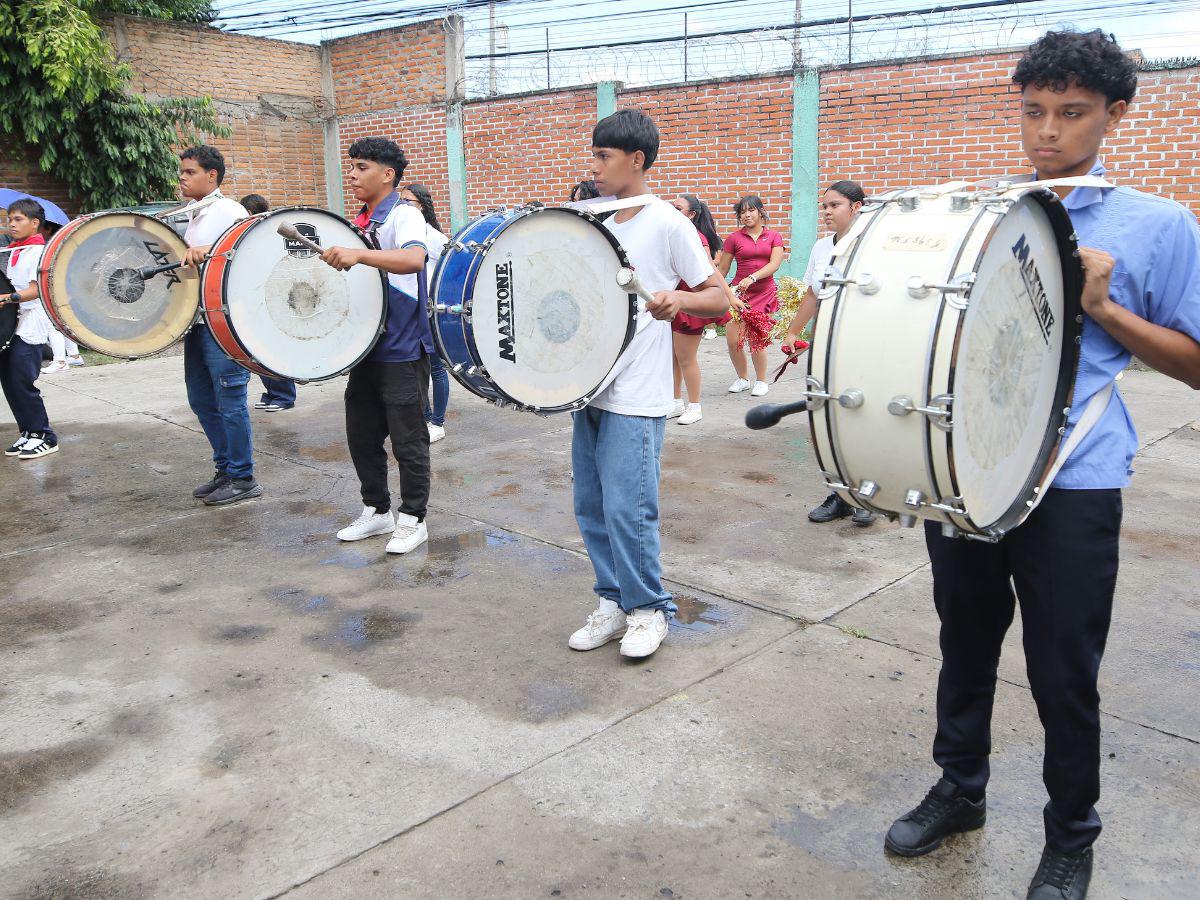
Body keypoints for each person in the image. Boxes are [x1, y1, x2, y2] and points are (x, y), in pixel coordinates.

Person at [882, 30, 1200, 900]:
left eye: (1071, 113)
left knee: (1064, 670)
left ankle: (1071, 838)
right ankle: (961, 790)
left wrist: (1104, 308)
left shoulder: (1160, 225)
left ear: (1115, 114)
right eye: (1034, 112)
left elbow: (1194, 360)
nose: (1047, 132)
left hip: (1077, 479)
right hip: (971, 475)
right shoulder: (988, 214)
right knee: (965, 644)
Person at [567, 109, 730, 659]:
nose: (593, 167)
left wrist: (678, 298)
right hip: (588, 386)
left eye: (602, 156)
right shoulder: (595, 219)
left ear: (636, 160)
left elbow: (719, 295)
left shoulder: (666, 222)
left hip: (637, 390)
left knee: (628, 507)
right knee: (590, 505)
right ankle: (613, 600)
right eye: (594, 155)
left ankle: (648, 610)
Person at [321, 138, 434, 555]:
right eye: (351, 166)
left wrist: (358, 255)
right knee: (361, 435)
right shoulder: (361, 219)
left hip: (402, 348)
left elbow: (413, 261)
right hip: (365, 348)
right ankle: (377, 510)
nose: (352, 174)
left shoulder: (403, 215)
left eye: (361, 166)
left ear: (387, 174)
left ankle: (412, 518)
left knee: (408, 441)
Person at [781, 180, 876, 528]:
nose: (826, 212)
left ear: (857, 206)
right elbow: (812, 293)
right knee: (829, 422)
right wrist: (793, 331)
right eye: (824, 206)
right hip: (828, 347)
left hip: (865, 346)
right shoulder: (822, 248)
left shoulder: (873, 245)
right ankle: (840, 494)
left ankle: (866, 495)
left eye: (834, 205)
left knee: (861, 422)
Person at [178, 145, 261, 506]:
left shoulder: (229, 210)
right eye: (181, 171)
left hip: (223, 322)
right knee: (201, 399)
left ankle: (243, 477)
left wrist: (207, 249)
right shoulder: (194, 214)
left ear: (212, 175)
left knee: (230, 400)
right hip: (197, 321)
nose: (182, 177)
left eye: (190, 172)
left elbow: (249, 251)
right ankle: (225, 468)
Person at [668, 194, 739, 425]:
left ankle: (695, 405)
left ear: (692, 215)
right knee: (673, 357)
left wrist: (729, 296)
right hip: (674, 299)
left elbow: (712, 270)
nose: (672, 211)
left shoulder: (695, 237)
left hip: (691, 301)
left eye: (678, 208)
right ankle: (676, 401)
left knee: (686, 358)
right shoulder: (674, 233)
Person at [1, 199, 58, 459]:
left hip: (31, 324)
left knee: (23, 382)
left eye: (18, 219)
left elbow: (37, 289)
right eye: (9, 219)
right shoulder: (13, 251)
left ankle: (45, 436)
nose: (11, 224)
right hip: (12, 324)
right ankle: (28, 433)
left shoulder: (39, 252)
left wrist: (8, 299)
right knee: (10, 382)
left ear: (35, 223)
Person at [717, 195, 786, 397]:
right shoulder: (733, 239)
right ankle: (743, 378)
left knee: (757, 340)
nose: (746, 215)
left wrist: (753, 277)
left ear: (760, 211)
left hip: (764, 292)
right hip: (739, 293)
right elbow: (722, 269)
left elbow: (774, 264)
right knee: (733, 340)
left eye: (751, 210)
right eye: (742, 212)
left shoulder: (774, 236)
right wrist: (709, 286)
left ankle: (762, 381)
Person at [400, 182, 450, 443]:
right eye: (402, 202)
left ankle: (437, 422)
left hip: (429, 309)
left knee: (436, 367)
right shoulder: (404, 233)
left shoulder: (434, 238)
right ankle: (425, 417)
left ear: (422, 206)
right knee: (417, 367)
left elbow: (449, 274)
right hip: (409, 308)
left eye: (408, 202)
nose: (403, 207)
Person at [238, 193, 298, 413]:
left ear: (252, 213)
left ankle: (284, 396)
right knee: (259, 349)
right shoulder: (253, 236)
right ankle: (272, 393)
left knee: (274, 349)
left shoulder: (270, 235)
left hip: (273, 300)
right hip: (256, 300)